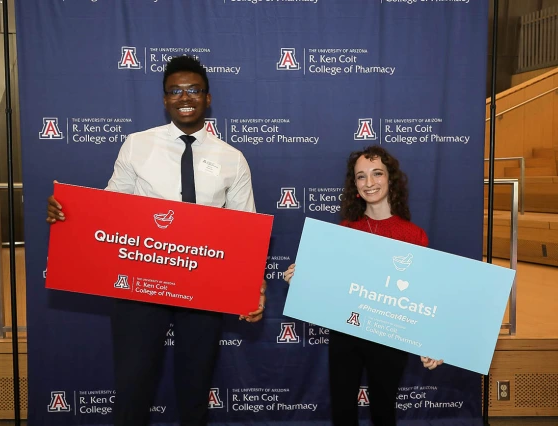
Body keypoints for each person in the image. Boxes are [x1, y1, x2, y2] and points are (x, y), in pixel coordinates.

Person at [46, 55, 266, 426]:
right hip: (139, 283)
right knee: (133, 389)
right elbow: (110, 207)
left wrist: (251, 288)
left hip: (204, 286)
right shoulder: (137, 145)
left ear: (208, 98)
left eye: (194, 90)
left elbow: (245, 229)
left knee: (195, 392)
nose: (185, 97)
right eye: (175, 91)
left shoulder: (233, 159)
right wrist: (68, 214)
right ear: (164, 100)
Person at [283, 145, 442, 426]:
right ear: (354, 184)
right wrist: (303, 277)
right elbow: (332, 285)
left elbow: (420, 296)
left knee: (384, 413)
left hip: (390, 337)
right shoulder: (345, 230)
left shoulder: (414, 236)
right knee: (342, 413)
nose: (369, 183)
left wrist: (430, 342)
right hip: (347, 333)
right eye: (361, 176)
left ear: (390, 178)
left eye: (377, 173)